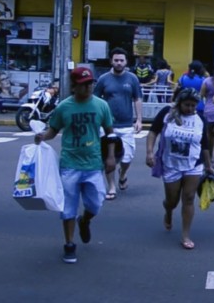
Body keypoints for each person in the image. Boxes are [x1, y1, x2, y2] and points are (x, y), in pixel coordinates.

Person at [34, 67, 115, 264]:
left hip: (94, 164)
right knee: (68, 207)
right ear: (74, 86)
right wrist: (42, 136)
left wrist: (111, 157)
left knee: (96, 203)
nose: (88, 87)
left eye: (90, 83)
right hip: (69, 163)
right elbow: (53, 131)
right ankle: (69, 244)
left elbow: (110, 132)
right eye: (83, 84)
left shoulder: (101, 105)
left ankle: (85, 220)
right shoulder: (64, 107)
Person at [145, 88, 214, 250]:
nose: (190, 109)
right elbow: (153, 132)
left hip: (193, 164)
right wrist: (149, 153)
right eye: (186, 105)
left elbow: (204, 145)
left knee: (189, 198)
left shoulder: (200, 120)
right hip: (171, 164)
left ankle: (185, 235)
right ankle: (168, 211)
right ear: (179, 103)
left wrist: (209, 166)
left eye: (193, 105)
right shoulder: (167, 114)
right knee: (172, 201)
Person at [93, 48, 143, 200]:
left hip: (127, 125)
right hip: (108, 126)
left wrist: (139, 119)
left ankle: (123, 174)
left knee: (127, 157)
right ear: (111, 61)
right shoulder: (103, 79)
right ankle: (112, 186)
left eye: (121, 60)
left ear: (126, 62)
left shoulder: (132, 78)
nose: (119, 63)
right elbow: (95, 100)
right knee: (109, 158)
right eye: (116, 60)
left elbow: (137, 99)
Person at [199, 64, 214, 168]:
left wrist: (209, 98)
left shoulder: (207, 81)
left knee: (209, 135)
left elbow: (202, 94)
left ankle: (208, 156)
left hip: (209, 109)